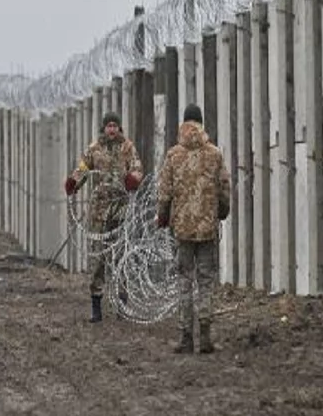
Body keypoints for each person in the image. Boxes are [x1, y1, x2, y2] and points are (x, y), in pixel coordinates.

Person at [156, 104, 231, 354]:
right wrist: (221, 212)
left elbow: (164, 192)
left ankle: (186, 337)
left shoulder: (173, 155)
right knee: (206, 281)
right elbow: (224, 190)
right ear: (201, 123)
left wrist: (163, 217)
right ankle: (206, 336)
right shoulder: (215, 154)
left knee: (184, 280)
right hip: (207, 228)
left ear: (184, 124)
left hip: (182, 229)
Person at [64, 112, 143, 323]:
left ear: (119, 128)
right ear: (103, 128)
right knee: (98, 258)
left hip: (120, 209)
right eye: (108, 125)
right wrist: (73, 182)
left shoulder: (127, 147)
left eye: (115, 125)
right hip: (99, 210)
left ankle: (122, 304)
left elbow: (137, 168)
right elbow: (83, 168)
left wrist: (132, 179)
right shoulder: (94, 149)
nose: (112, 129)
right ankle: (96, 305)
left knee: (121, 256)